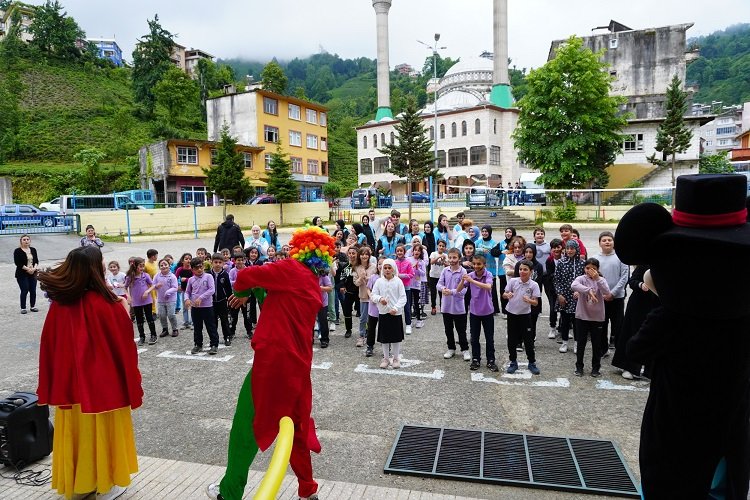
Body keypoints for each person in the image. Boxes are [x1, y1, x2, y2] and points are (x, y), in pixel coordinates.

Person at [206, 226, 333, 500]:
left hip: (273, 363)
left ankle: (229, 493)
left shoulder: (290, 270)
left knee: (245, 426)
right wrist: (255, 292)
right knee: (297, 428)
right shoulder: (310, 283)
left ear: (299, 249)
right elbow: (273, 297)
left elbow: (247, 274)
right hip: (298, 369)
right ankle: (308, 491)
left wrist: (242, 292)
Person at [37, 245, 142, 500]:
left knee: (75, 433)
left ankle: (78, 484)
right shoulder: (109, 304)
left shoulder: (59, 306)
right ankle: (102, 483)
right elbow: (125, 345)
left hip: (69, 388)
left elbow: (49, 347)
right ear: (95, 269)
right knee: (102, 432)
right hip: (104, 388)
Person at [612, 265, 658, 380]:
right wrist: (640, 285)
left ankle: (649, 369)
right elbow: (632, 281)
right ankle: (629, 367)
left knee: (654, 337)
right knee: (633, 333)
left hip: (657, 305)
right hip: (638, 305)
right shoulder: (644, 265)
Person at [456, 255, 498, 372]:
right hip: (474, 312)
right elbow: (459, 289)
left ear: (484, 265)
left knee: (489, 338)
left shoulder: (488, 275)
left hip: (487, 311)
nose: (476, 266)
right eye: (474, 264)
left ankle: (491, 360)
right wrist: (463, 280)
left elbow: (488, 287)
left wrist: (471, 280)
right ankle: (476, 359)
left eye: (479, 264)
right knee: (474, 338)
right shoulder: (470, 276)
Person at [571, 258, 610, 377]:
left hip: (597, 317)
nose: (590, 271)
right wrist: (588, 291)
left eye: (593, 268)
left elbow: (606, 291)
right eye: (588, 268)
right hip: (582, 316)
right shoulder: (581, 279)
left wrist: (597, 278)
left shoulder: (601, 280)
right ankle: (579, 367)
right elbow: (574, 285)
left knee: (596, 344)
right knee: (581, 342)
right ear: (584, 269)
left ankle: (596, 368)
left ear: (598, 270)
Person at [594, 231, 629, 358]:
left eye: (609, 240)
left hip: (617, 297)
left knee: (618, 326)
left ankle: (619, 353)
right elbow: (592, 278)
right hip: (601, 298)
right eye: (604, 240)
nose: (607, 242)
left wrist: (612, 293)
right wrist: (603, 293)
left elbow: (624, 277)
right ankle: (603, 349)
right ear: (599, 243)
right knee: (601, 325)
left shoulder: (621, 257)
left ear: (614, 242)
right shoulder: (595, 258)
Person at [503, 259, 541, 375]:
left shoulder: (534, 285)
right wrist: (507, 295)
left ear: (531, 271)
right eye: (520, 269)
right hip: (512, 314)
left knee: (528, 340)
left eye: (525, 269)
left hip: (525, 315)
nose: (522, 272)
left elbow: (535, 303)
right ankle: (513, 361)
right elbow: (504, 294)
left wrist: (529, 300)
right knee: (512, 339)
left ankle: (532, 362)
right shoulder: (513, 281)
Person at [371, 258, 407, 369]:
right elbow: (373, 295)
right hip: (383, 313)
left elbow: (403, 297)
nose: (387, 270)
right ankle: (386, 358)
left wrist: (396, 308)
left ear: (393, 269)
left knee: (396, 337)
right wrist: (380, 298)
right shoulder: (379, 281)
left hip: (395, 313)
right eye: (385, 268)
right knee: (384, 337)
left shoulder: (398, 281)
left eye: (389, 268)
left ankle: (396, 358)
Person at [437, 248, 470, 361]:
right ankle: (451, 348)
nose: (451, 260)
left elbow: (464, 290)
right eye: (450, 257)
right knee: (448, 329)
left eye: (454, 257)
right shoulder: (445, 271)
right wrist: (443, 289)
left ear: (459, 258)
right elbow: (439, 284)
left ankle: (465, 349)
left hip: (458, 307)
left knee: (461, 330)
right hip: (446, 306)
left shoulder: (463, 272)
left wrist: (452, 292)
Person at [554, 240, 584, 354]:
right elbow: (557, 280)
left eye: (572, 248)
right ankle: (565, 342)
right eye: (568, 248)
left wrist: (581, 292)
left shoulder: (582, 263)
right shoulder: (561, 262)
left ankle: (577, 342)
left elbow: (585, 281)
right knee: (565, 320)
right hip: (564, 296)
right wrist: (560, 294)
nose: (570, 250)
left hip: (577, 296)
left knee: (577, 321)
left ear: (576, 249)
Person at [185, 257, 218, 355]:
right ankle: (198, 344)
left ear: (203, 266)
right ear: (192, 269)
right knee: (197, 327)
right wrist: (186, 299)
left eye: (201, 267)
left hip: (207, 307)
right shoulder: (191, 280)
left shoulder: (208, 277)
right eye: (196, 268)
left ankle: (214, 344)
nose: (199, 269)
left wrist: (201, 298)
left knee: (210, 326)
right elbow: (187, 291)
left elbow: (212, 290)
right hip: (195, 308)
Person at [125, 257, 157, 346]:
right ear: (135, 266)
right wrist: (128, 296)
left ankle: (153, 335)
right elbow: (125, 286)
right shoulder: (130, 277)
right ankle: (142, 336)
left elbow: (153, 285)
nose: (142, 268)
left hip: (147, 300)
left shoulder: (145, 275)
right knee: (139, 320)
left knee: (149, 318)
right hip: (136, 301)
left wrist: (147, 291)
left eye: (143, 266)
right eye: (140, 266)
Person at [353, 246, 376, 348]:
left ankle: (369, 335)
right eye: (362, 254)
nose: (364, 256)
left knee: (372, 318)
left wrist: (367, 278)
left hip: (373, 296)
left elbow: (376, 279)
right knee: (363, 318)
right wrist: (361, 278)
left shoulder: (374, 266)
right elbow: (356, 283)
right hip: (363, 296)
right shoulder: (357, 267)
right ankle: (361, 336)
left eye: (366, 254)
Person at [228, 252, 253, 340]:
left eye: (242, 260)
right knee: (233, 316)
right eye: (238, 260)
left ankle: (249, 331)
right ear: (234, 261)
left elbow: (251, 282)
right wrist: (239, 282)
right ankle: (231, 332)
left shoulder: (248, 270)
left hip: (247, 296)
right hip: (235, 296)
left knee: (247, 315)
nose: (240, 262)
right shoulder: (232, 271)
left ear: (245, 260)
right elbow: (230, 282)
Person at [211, 253, 233, 346]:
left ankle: (227, 336)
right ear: (212, 263)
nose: (218, 264)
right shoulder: (208, 274)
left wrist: (230, 299)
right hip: (211, 302)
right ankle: (214, 338)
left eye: (220, 262)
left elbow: (228, 288)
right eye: (216, 262)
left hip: (222, 301)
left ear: (223, 263)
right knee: (213, 321)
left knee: (224, 320)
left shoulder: (225, 274)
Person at [543, 239, 563, 340]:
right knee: (553, 308)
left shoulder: (566, 258)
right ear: (551, 249)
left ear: (562, 247)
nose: (556, 249)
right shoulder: (549, 260)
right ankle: (552, 327)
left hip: (564, 288)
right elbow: (550, 275)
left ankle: (563, 328)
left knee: (564, 309)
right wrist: (558, 275)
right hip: (552, 288)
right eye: (554, 247)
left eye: (558, 247)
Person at [153, 258, 179, 338]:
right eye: (161, 265)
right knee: (162, 315)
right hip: (161, 299)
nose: (163, 266)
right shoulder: (157, 276)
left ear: (169, 265)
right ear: (159, 267)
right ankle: (165, 329)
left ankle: (175, 329)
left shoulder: (172, 276)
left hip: (171, 299)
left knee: (171, 315)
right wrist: (156, 286)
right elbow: (153, 285)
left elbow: (175, 287)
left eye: (165, 264)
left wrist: (168, 292)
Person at [365, 257, 385, 358]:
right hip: (373, 306)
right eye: (379, 264)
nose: (381, 266)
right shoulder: (374, 277)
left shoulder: (389, 278)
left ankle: (386, 347)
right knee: (371, 327)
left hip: (384, 307)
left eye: (384, 264)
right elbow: (368, 288)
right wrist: (371, 296)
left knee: (384, 328)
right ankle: (370, 346)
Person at [14, 234, 39, 314]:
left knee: (33, 290)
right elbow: (18, 263)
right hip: (22, 273)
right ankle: (23, 308)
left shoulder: (33, 249)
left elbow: (36, 261)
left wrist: (34, 269)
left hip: (33, 272)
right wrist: (28, 269)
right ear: (21, 241)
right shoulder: (17, 251)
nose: (26, 241)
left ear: (30, 241)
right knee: (24, 290)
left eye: (27, 239)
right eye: (24, 239)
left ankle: (33, 306)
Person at [394, 245, 414, 335]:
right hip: (395, 287)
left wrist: (401, 275)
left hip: (406, 287)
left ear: (404, 252)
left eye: (401, 251)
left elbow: (411, 274)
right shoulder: (394, 262)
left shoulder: (408, 262)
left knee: (407, 306)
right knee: (395, 305)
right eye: (398, 251)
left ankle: (408, 324)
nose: (399, 253)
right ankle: (396, 324)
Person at [428, 239, 448, 315]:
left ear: (445, 247)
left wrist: (443, 260)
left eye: (443, 246)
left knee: (441, 293)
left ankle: (442, 307)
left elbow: (447, 265)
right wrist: (438, 257)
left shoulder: (445, 255)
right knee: (433, 293)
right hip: (433, 276)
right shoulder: (433, 253)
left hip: (441, 277)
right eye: (440, 246)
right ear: (437, 246)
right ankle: (433, 307)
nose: (441, 247)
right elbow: (431, 262)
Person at [175, 253, 194, 330]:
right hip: (184, 290)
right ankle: (186, 322)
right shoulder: (180, 269)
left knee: (193, 307)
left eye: (190, 259)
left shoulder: (192, 269)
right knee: (185, 307)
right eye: (186, 259)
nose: (188, 260)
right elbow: (174, 278)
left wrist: (186, 279)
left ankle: (193, 322)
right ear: (182, 261)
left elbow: (195, 278)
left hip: (193, 291)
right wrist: (177, 285)